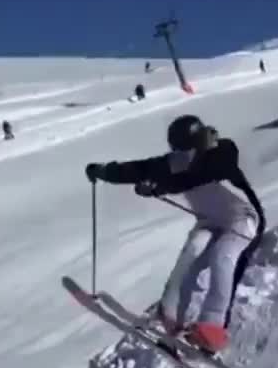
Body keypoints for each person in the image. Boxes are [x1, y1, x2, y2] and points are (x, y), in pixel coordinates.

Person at [84, 114, 265, 354]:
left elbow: (197, 177)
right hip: (210, 221)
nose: (182, 155)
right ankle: (170, 317)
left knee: (222, 257)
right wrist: (105, 172)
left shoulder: (223, 152)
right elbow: (141, 169)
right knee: (190, 256)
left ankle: (212, 329)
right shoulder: (176, 162)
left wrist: (160, 187)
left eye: (186, 149)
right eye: (179, 150)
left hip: (242, 220)